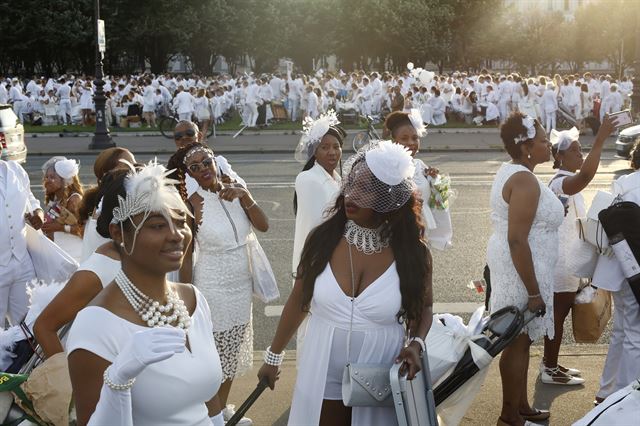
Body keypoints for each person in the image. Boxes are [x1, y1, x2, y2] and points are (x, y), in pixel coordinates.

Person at [258, 141, 433, 426]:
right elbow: (299, 298)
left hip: (382, 367)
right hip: (322, 362)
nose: (350, 194)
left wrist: (416, 343)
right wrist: (273, 356)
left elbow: (424, 307)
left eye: (365, 189)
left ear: (387, 197)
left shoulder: (414, 253)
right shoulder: (322, 239)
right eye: (350, 184)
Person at [66, 161, 224, 426]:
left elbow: (209, 401)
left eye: (180, 221)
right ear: (118, 233)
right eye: (157, 225)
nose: (176, 235)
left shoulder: (193, 300)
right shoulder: (95, 325)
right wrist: (118, 381)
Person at [172, 143, 268, 425]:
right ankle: (207, 416)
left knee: (231, 353)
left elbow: (263, 225)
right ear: (189, 174)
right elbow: (186, 258)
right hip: (212, 285)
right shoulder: (192, 205)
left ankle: (220, 409)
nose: (203, 169)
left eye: (206, 162)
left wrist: (245, 195)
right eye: (195, 167)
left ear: (216, 162)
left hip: (241, 283)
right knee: (212, 358)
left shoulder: (237, 192)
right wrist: (185, 300)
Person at [487, 112, 563, 426]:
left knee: (523, 339)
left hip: (527, 264)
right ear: (527, 147)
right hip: (521, 269)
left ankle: (521, 405)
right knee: (517, 340)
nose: (550, 145)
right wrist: (533, 292)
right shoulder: (523, 179)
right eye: (545, 141)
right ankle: (509, 414)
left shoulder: (516, 171)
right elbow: (517, 240)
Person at [541, 117, 615, 385]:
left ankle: (551, 364)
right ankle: (549, 370)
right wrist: (601, 138)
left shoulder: (563, 181)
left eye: (580, 148)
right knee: (557, 318)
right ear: (559, 156)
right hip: (560, 263)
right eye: (574, 150)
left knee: (558, 317)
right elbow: (586, 176)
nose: (579, 153)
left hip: (567, 260)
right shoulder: (560, 182)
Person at [34, 170, 127, 358]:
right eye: (156, 225)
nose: (175, 234)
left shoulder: (151, 265)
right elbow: (44, 327)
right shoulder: (97, 271)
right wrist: (66, 379)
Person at [292, 111, 346, 362]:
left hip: (336, 260)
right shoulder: (308, 179)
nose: (332, 152)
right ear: (314, 151)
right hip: (319, 262)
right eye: (325, 147)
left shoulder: (336, 178)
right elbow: (318, 228)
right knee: (313, 323)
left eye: (336, 146)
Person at [592, 139, 640, 405]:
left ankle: (607, 391)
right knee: (636, 333)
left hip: (617, 265)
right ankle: (627, 399)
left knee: (623, 329)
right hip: (635, 268)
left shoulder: (625, 182)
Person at [385, 110, 453, 250]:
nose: (411, 143)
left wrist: (434, 181)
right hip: (397, 236)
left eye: (415, 138)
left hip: (422, 234)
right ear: (394, 141)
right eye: (404, 138)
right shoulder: (387, 168)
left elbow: (437, 201)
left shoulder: (420, 165)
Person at [0, 159, 44, 327]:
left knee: (29, 321)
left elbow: (30, 199)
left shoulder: (15, 170)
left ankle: (24, 354)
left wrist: (38, 212)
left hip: (21, 261)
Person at [78, 147, 136, 261]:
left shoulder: (103, 200)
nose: (135, 169)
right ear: (111, 172)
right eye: (129, 166)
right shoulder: (112, 201)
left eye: (135, 164)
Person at [41, 157, 84, 263]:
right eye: (46, 177)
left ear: (65, 179)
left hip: (73, 257)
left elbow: (83, 230)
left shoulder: (74, 199)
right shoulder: (56, 201)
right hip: (59, 256)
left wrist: (59, 227)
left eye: (52, 177)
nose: (47, 181)